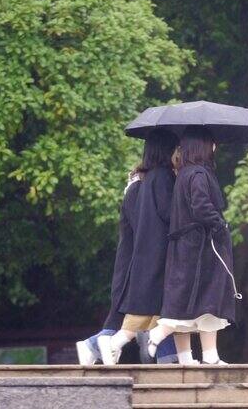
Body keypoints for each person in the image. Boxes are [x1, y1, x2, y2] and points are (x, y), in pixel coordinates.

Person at [76, 129, 178, 365]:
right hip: (138, 261)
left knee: (157, 310)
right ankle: (98, 343)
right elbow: (155, 223)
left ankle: (168, 358)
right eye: (176, 149)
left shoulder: (142, 182)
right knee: (138, 313)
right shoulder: (152, 182)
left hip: (138, 260)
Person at [146, 126, 241, 365]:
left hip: (188, 245)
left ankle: (206, 356)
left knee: (201, 301)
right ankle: (159, 333)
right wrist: (220, 224)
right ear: (203, 146)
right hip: (200, 247)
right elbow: (201, 207)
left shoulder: (185, 173)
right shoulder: (198, 174)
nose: (215, 147)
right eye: (211, 142)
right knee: (201, 299)